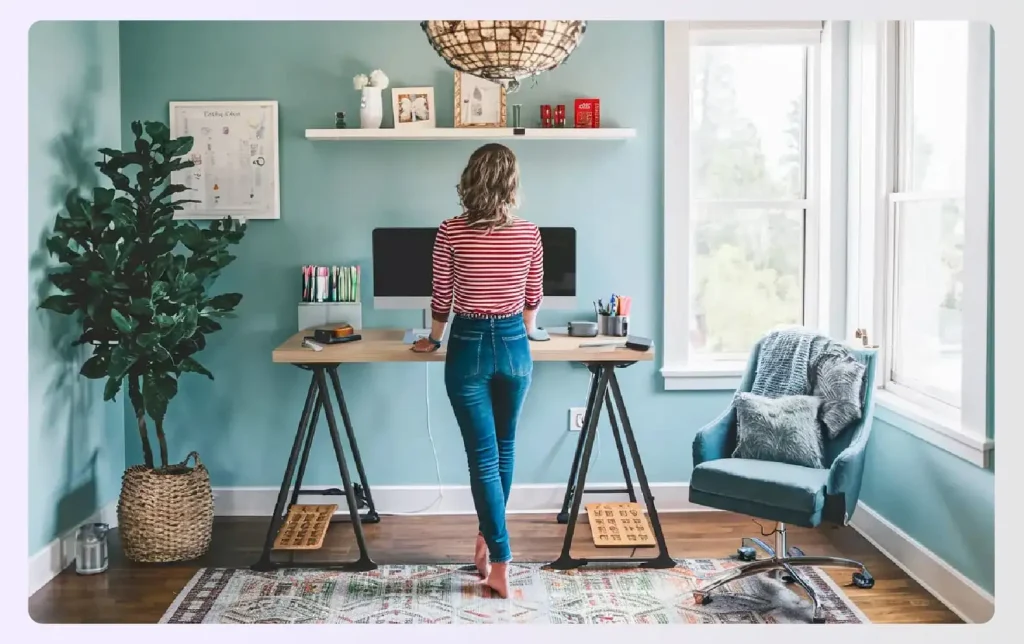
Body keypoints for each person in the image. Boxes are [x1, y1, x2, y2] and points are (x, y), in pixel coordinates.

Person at [411, 143, 543, 598]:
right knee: (504, 450)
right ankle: (487, 542)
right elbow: (532, 297)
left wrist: (432, 338)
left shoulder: (450, 231)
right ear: (511, 184)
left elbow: (441, 296)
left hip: (467, 345)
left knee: (483, 458)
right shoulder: (529, 233)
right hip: (513, 347)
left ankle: (501, 561)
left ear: (470, 180)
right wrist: (527, 330)